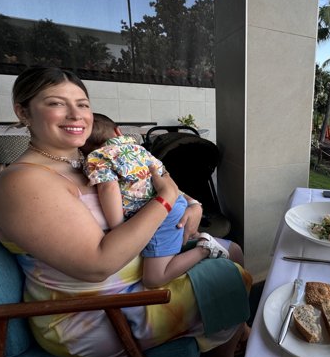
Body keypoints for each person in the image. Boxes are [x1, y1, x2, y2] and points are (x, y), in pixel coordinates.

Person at [0, 67, 252, 357]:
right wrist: (167, 200)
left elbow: (151, 184)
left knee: (230, 252)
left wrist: (192, 204)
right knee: (234, 276)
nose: (76, 115)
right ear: (22, 111)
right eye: (57, 103)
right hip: (92, 317)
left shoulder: (83, 161)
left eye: (82, 104)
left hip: (132, 285)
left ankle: (227, 353)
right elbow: (98, 265)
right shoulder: (24, 182)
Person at [81, 113, 241, 288]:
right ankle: (192, 242)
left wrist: (118, 228)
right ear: (118, 132)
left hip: (163, 214)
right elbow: (164, 176)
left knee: (154, 279)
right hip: (173, 204)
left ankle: (205, 249)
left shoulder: (97, 157)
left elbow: (108, 188)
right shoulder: (139, 149)